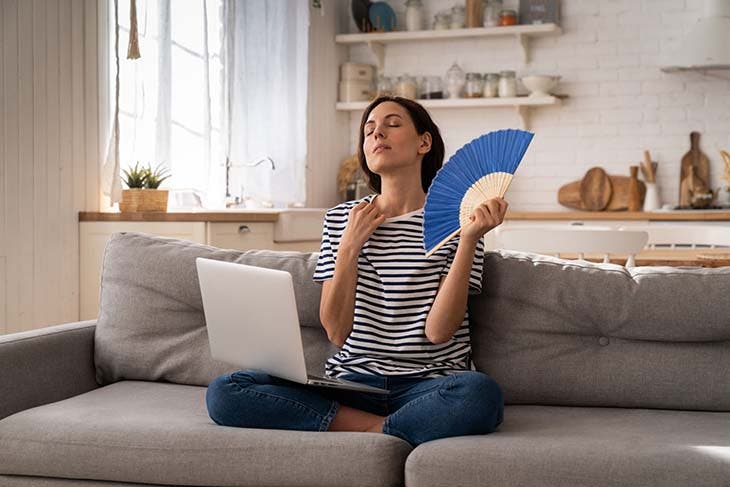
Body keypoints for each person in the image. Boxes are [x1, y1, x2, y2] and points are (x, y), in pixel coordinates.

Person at [206, 95, 508, 446]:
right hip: (353, 384)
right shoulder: (341, 220)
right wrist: (349, 246)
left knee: (480, 395)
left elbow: (439, 332)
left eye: (392, 124)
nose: (378, 133)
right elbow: (336, 330)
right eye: (368, 130)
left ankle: (366, 429)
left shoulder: (460, 223)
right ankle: (384, 430)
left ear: (424, 142)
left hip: (429, 384)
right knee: (226, 392)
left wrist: (469, 239)